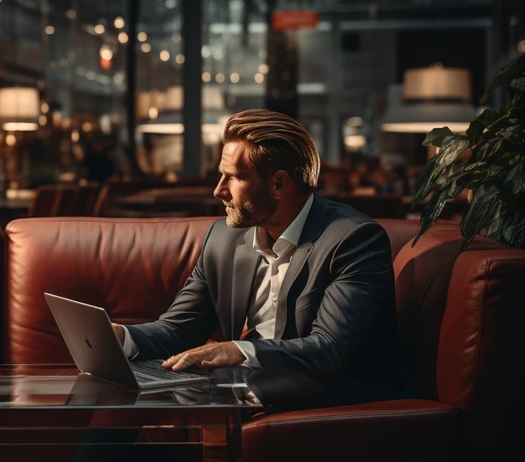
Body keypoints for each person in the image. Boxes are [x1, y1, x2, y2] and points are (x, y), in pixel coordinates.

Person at [113, 109, 404, 410]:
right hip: (244, 382)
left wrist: (239, 350)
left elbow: (329, 349)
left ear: (278, 184)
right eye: (220, 175)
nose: (218, 190)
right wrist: (121, 336)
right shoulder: (223, 238)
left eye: (233, 177)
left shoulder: (353, 240)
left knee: (201, 394)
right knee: (121, 387)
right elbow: (179, 329)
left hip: (325, 389)